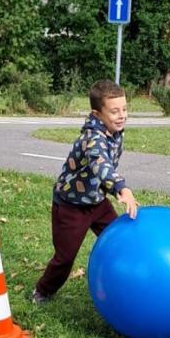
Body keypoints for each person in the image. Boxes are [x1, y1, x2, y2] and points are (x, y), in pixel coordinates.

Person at [32, 80, 138, 303]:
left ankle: (124, 283)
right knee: (65, 257)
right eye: (114, 111)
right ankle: (42, 291)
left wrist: (109, 190)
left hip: (97, 203)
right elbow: (101, 163)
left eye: (124, 109)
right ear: (97, 114)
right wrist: (121, 188)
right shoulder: (93, 138)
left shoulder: (115, 132)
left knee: (119, 240)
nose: (122, 116)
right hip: (71, 206)